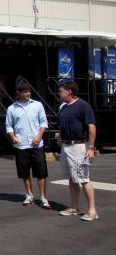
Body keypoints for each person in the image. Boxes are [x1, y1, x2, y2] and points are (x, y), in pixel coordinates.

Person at [5, 76, 50, 209]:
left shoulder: (37, 105)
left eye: (29, 91)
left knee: (41, 172)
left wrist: (39, 136)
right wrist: (13, 138)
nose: (28, 94)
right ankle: (29, 194)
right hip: (21, 145)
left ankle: (43, 197)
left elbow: (43, 123)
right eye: (24, 92)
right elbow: (9, 126)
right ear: (18, 93)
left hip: (37, 144)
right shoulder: (11, 108)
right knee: (24, 172)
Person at [57, 81, 98, 221]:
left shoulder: (83, 105)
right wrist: (61, 137)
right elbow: (63, 124)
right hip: (66, 146)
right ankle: (74, 207)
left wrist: (91, 148)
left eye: (61, 90)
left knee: (83, 178)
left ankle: (92, 211)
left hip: (78, 147)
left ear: (69, 91)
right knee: (72, 178)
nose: (59, 93)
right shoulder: (63, 107)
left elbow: (91, 127)